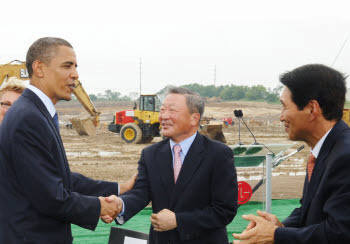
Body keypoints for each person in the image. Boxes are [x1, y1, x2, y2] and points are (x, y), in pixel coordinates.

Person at [0, 37, 133, 244]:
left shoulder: (37, 112)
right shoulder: (29, 117)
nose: (75, 74)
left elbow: (59, 178)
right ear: (39, 68)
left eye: (76, 66)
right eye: (67, 66)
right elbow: (50, 198)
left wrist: (117, 188)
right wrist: (101, 206)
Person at [233, 64, 350, 244]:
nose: (281, 117)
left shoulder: (345, 156)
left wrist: (275, 236)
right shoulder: (324, 149)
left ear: (312, 109)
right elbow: (308, 209)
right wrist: (281, 227)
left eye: (284, 107)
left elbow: (339, 233)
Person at [105, 87, 237, 244]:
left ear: (194, 118)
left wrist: (179, 220)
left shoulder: (218, 154)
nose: (164, 116)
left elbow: (224, 210)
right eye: (162, 110)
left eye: (172, 111)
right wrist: (120, 205)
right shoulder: (150, 154)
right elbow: (140, 193)